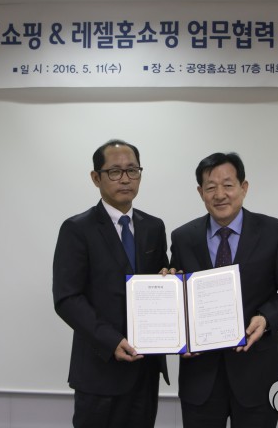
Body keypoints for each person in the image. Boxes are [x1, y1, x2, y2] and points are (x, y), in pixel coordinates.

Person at [168, 152, 278, 428]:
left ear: (244, 187)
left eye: (228, 185)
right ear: (200, 192)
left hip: (256, 374)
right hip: (200, 378)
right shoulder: (183, 237)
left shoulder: (274, 232)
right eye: (210, 187)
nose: (220, 194)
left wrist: (266, 318)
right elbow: (178, 294)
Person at [52, 139, 170, 428]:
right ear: (96, 178)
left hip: (145, 369)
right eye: (115, 171)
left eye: (133, 170)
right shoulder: (77, 229)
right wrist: (111, 340)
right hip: (100, 369)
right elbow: (67, 298)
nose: (125, 179)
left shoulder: (154, 227)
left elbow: (159, 281)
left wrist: (169, 279)